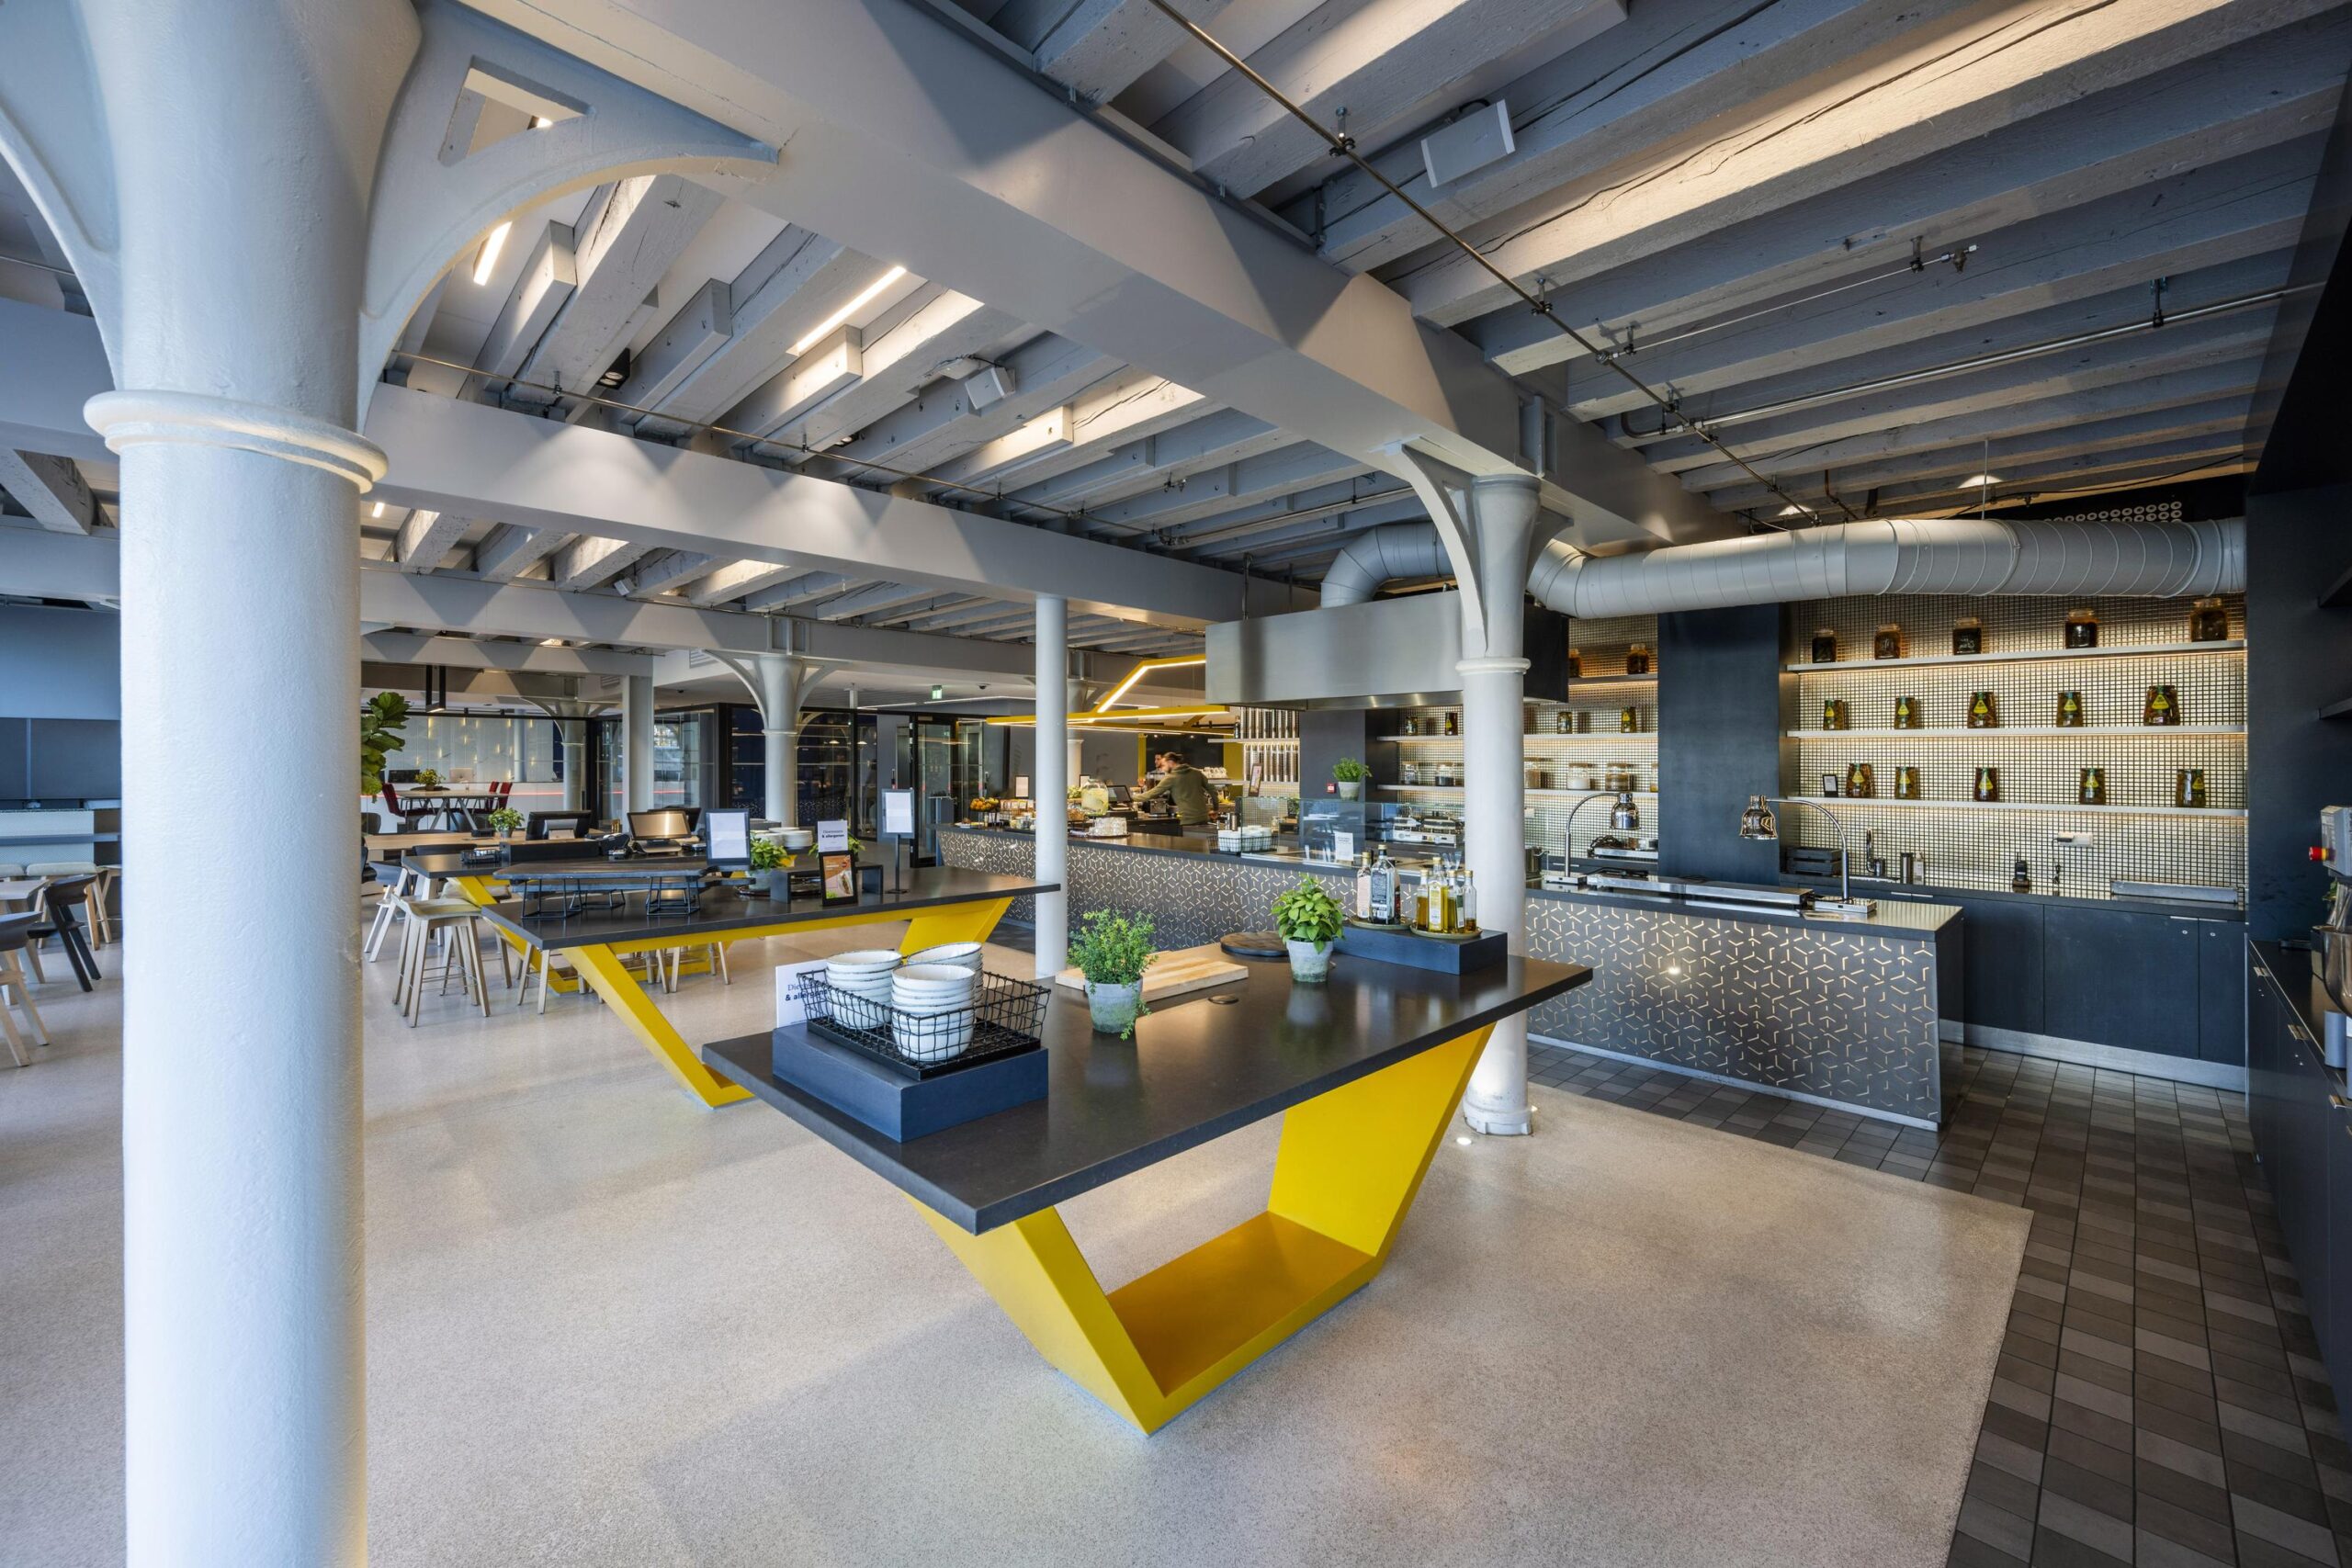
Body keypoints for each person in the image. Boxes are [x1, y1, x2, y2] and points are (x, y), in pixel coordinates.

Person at [1135, 750, 1215, 826]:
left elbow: (1152, 793)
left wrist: (1132, 798)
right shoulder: (1196, 772)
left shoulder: (1172, 777)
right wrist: (1215, 808)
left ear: (1170, 762)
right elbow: (1212, 789)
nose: (1163, 768)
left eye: (1164, 765)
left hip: (1188, 820)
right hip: (1204, 818)